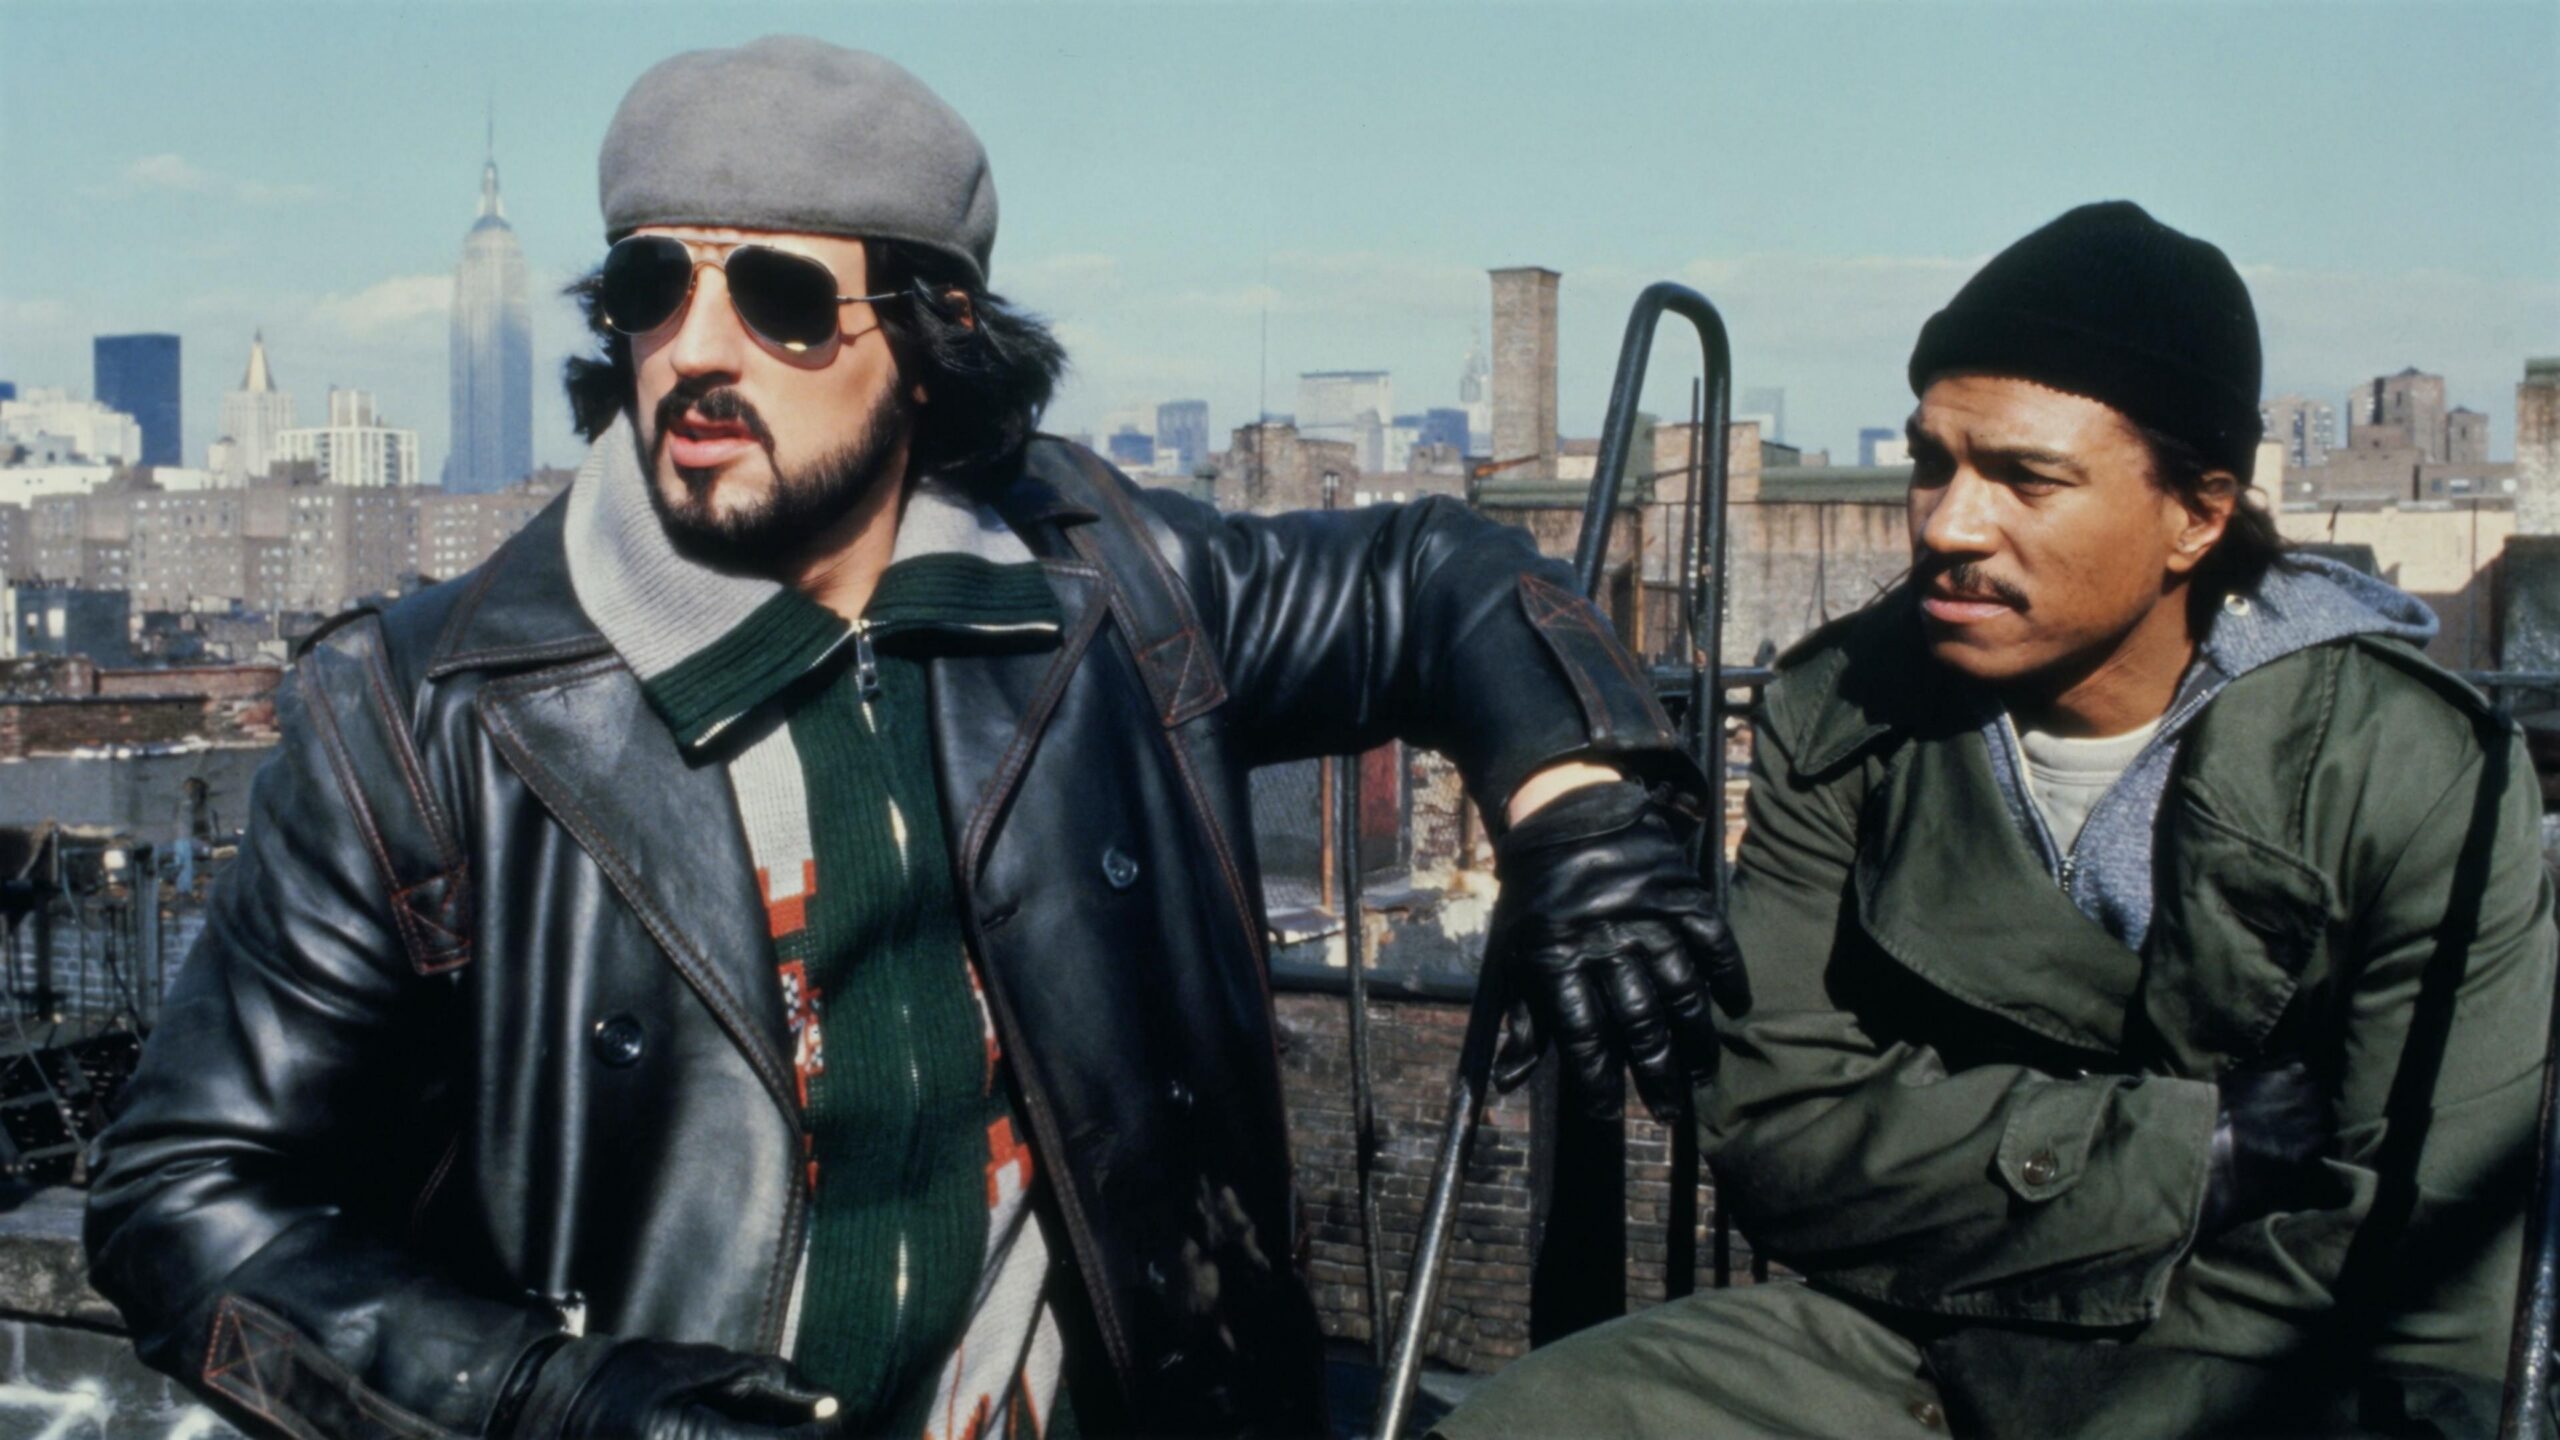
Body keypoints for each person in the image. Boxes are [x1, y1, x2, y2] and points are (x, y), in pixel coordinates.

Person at [84, 37, 1743, 1440]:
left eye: (783, 297)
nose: (697, 350)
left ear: (937, 338)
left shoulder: (1108, 592)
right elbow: (183, 1200)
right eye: (654, 284)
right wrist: (551, 1401)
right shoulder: (421, 713)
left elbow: (1443, 577)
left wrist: (1580, 807)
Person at [1438, 201, 2557, 1440]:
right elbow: (1772, 1124)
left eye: (2027, 478)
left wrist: (1962, 1165)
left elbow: (2435, 1269)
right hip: (1902, 1337)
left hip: (2258, 1373)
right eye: (1934, 463)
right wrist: (2200, 1153)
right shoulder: (1844, 706)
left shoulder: (2411, 767)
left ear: (2195, 515)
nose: (1948, 524)